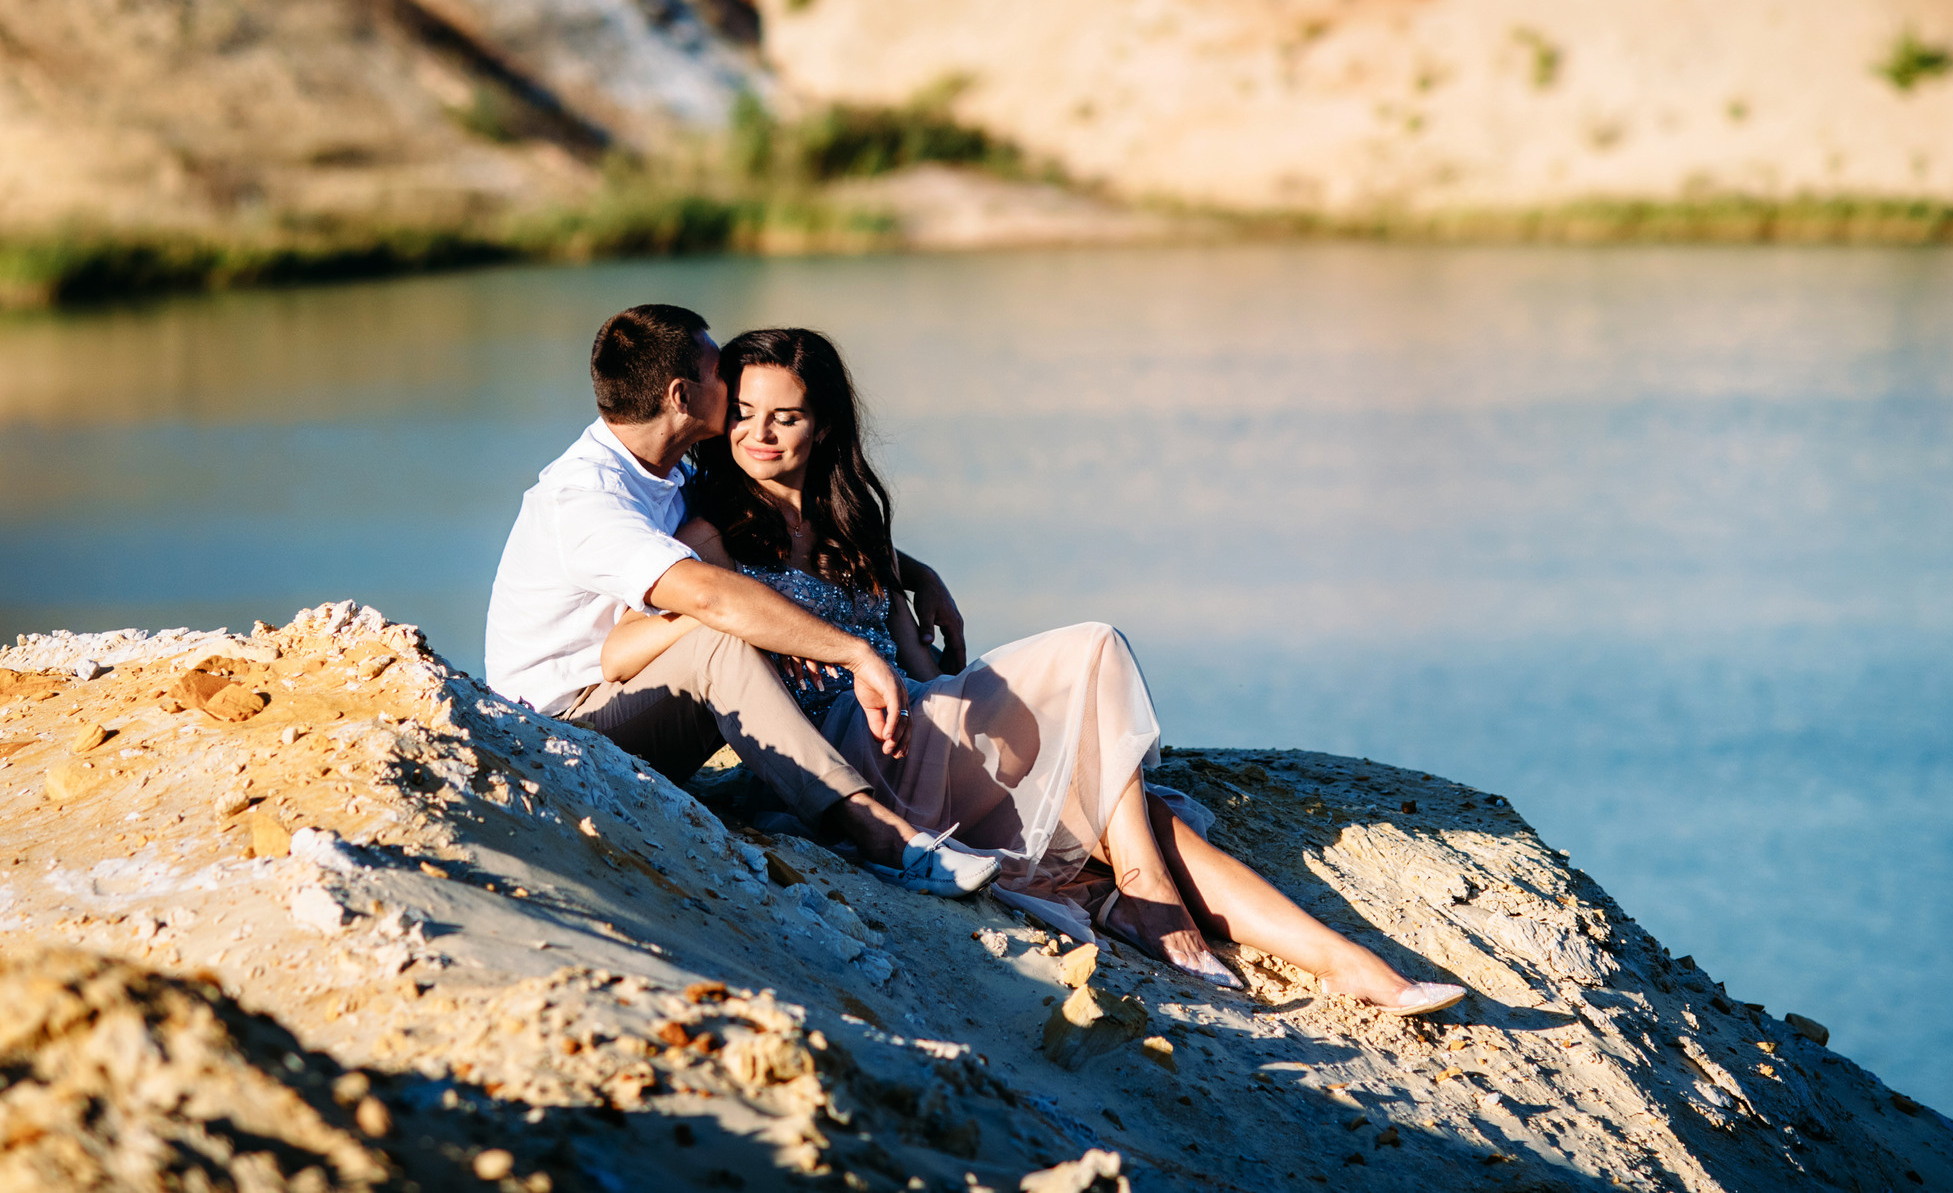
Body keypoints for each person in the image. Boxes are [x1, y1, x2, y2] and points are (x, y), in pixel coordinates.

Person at [603, 327, 1466, 1015]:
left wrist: (957, 659)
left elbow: (920, 666)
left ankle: (1357, 969)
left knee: (1137, 806)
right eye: (745, 412)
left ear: (820, 423)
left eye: (783, 416)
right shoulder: (711, 533)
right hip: (842, 755)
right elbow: (636, 644)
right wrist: (711, 613)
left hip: (920, 726)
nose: (757, 432)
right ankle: (1143, 890)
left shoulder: (856, 526)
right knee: (1095, 645)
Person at [484, 304, 999, 897]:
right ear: (682, 394)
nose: (732, 384)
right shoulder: (588, 499)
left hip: (643, 703)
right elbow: (709, 595)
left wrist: (913, 571)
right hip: (562, 734)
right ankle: (881, 836)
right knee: (718, 637)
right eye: (718, 371)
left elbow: (786, 527)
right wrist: (855, 654)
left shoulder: (663, 470)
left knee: (721, 629)